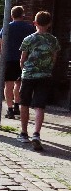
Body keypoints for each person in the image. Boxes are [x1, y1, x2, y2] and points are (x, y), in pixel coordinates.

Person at [17, 11, 60, 145]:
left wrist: (24, 69)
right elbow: (54, 58)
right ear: (49, 24)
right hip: (45, 76)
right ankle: (36, 134)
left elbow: (22, 59)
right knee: (39, 106)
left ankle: (24, 133)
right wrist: (47, 69)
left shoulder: (28, 39)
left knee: (24, 103)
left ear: (35, 23)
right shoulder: (53, 40)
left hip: (29, 75)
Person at [0, 6, 35, 119]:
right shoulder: (29, 28)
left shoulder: (7, 27)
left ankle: (10, 109)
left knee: (8, 84)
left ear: (12, 15)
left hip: (9, 59)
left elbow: (0, 44)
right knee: (19, 83)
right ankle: (17, 105)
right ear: (23, 15)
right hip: (24, 59)